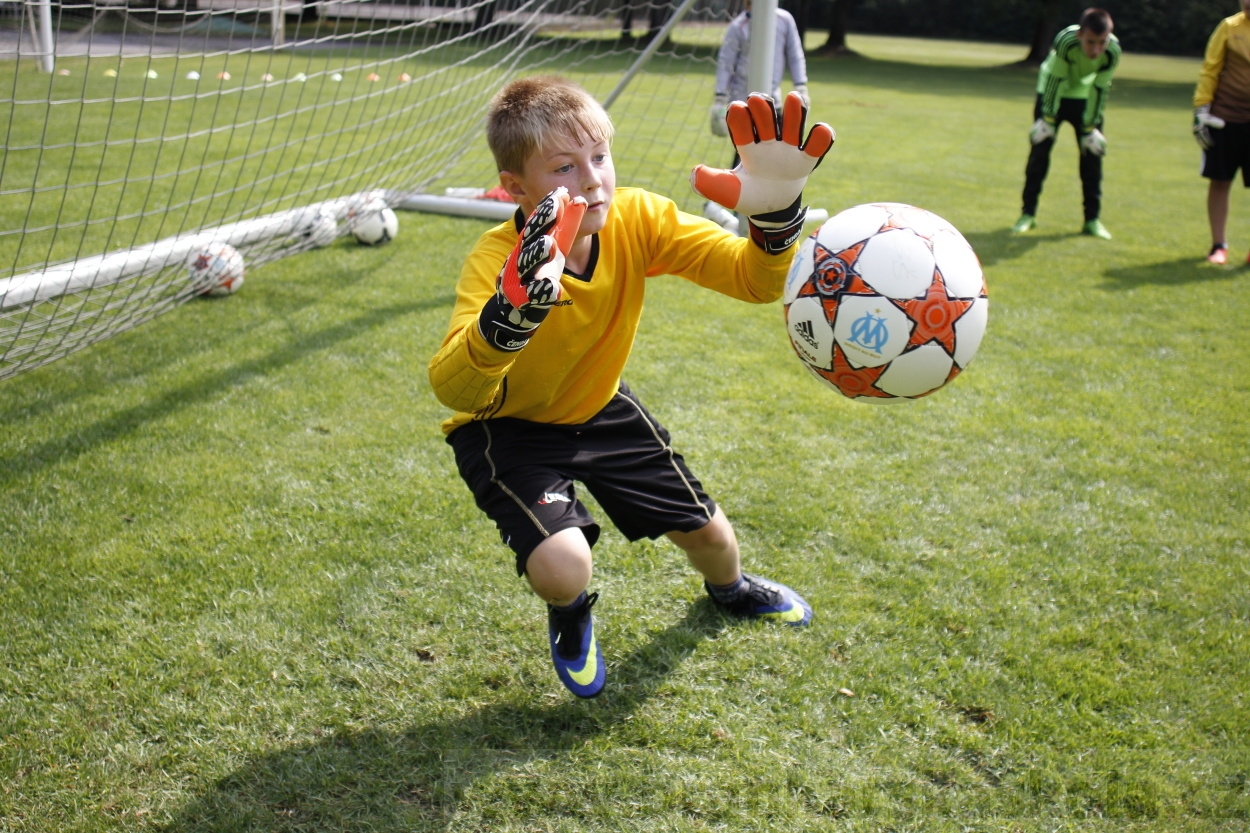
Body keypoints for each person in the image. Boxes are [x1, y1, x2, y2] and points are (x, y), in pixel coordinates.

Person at [428, 76, 833, 698]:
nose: (592, 179)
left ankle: (729, 590)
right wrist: (503, 322)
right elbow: (452, 387)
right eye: (564, 167)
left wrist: (776, 218)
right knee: (564, 565)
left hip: (597, 405)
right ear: (516, 187)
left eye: (599, 157)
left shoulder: (638, 218)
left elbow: (752, 280)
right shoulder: (497, 259)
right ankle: (569, 613)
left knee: (713, 538)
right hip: (506, 427)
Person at [1011, 7, 1121, 240]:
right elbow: (1054, 81)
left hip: (1084, 97)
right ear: (1080, 34)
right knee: (1039, 155)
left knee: (1092, 158)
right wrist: (1047, 119)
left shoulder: (1112, 51)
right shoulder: (1066, 41)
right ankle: (1027, 215)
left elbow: (1101, 89)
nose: (1096, 49)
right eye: (1091, 42)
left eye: (1101, 42)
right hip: (1051, 95)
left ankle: (1092, 219)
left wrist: (1091, 128)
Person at [705, 1, 810, 230]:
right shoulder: (738, 27)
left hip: (775, 106)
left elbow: (795, 53)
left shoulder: (784, 20)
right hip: (744, 109)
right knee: (745, 162)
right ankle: (741, 216)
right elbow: (726, 63)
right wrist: (720, 99)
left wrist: (801, 86)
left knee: (779, 160)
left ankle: (777, 214)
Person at [1193, 0, 1250, 265]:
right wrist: (1201, 111)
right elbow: (1210, 69)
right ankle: (1219, 245)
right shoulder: (1228, 27)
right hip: (1224, 119)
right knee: (1220, 180)